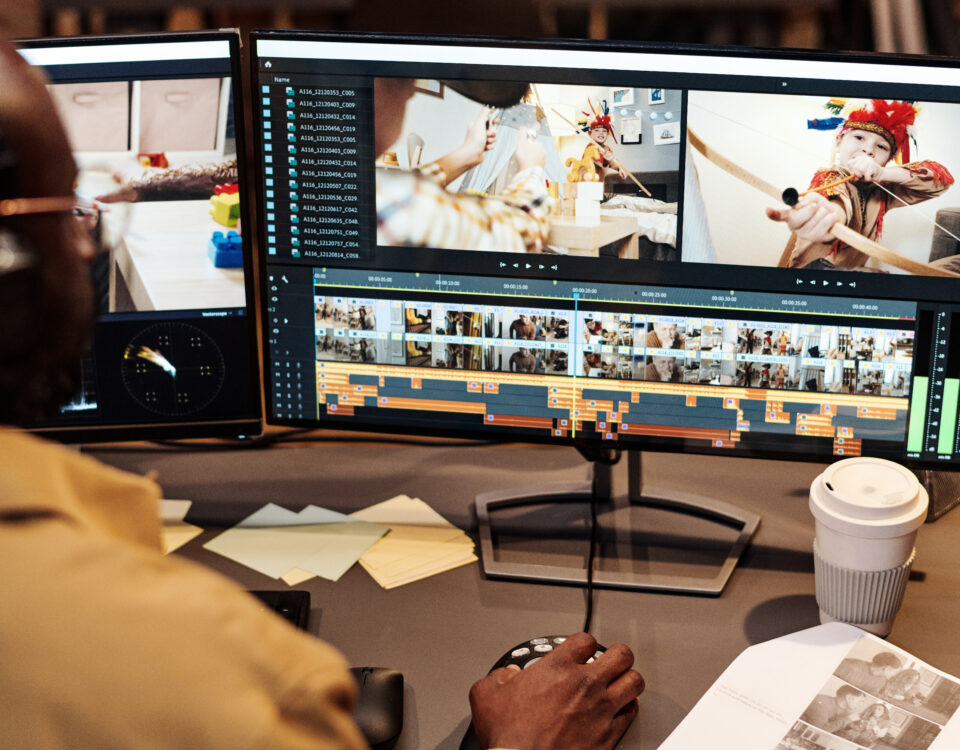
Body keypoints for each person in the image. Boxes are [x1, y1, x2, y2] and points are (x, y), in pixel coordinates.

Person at [0, 42, 644, 749]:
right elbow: (526, 228)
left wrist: (457, 164)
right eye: (69, 217)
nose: (88, 245)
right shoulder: (204, 671)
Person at [766, 99, 954, 271]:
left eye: (881, 147)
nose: (868, 150)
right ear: (839, 142)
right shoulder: (829, 177)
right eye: (858, 138)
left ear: (889, 159)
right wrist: (828, 215)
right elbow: (836, 202)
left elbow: (940, 181)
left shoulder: (883, 192)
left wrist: (883, 174)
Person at [375, 77, 554, 253]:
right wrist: (532, 170)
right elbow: (517, 232)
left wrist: (468, 153)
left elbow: (403, 189)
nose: (410, 93)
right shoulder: (407, 205)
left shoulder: (371, 192)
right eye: (402, 80)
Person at [799, 684, 870, 733]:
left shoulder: (841, 709)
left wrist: (850, 725)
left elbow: (835, 725)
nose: (861, 705)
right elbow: (819, 730)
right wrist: (848, 719)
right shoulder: (821, 703)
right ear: (849, 698)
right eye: (860, 701)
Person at [835, 652, 902, 696]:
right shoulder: (849, 665)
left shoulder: (882, 681)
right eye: (895, 672)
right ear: (886, 668)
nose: (895, 675)